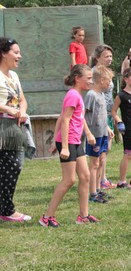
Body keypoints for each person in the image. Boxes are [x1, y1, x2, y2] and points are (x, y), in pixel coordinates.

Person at [40, 65, 99, 227]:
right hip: (68, 143)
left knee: (85, 177)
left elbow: (73, 118)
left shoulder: (77, 96)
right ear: (77, 78)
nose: (90, 81)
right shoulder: (72, 95)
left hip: (75, 141)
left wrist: (88, 133)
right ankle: (47, 217)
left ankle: (83, 216)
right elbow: (65, 120)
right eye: (88, 78)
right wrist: (63, 146)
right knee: (69, 180)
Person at [0, 38, 32, 223]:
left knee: (13, 166)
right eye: (16, 52)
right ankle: (7, 210)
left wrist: (22, 110)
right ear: (4, 53)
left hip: (13, 129)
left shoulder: (14, 76)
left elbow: (22, 99)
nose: (19, 56)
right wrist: (7, 109)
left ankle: (6, 208)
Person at [84, 65, 114, 205]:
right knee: (94, 164)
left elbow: (102, 116)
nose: (109, 84)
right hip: (94, 135)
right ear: (101, 80)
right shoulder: (91, 95)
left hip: (102, 134)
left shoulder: (101, 94)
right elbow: (81, 115)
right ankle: (92, 193)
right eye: (108, 81)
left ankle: (97, 188)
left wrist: (108, 128)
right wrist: (88, 133)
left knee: (101, 161)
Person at [90, 45, 117, 189]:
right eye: (106, 56)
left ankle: (102, 178)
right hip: (100, 116)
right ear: (97, 58)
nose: (110, 59)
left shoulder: (106, 72)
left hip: (108, 114)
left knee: (106, 149)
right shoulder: (93, 74)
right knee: (101, 150)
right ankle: (100, 181)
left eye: (111, 56)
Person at [111, 67, 131, 188]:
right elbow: (113, 111)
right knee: (128, 154)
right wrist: (119, 122)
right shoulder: (121, 95)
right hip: (128, 129)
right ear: (126, 79)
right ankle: (122, 181)